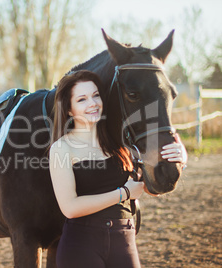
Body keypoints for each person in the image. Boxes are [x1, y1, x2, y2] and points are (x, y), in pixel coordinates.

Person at [48, 70, 187, 268]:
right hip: (81, 246)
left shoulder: (121, 143)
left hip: (123, 240)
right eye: (82, 99)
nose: (93, 103)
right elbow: (70, 207)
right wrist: (123, 194)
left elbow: (149, 187)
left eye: (96, 95)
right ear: (69, 109)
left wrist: (180, 157)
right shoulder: (62, 148)